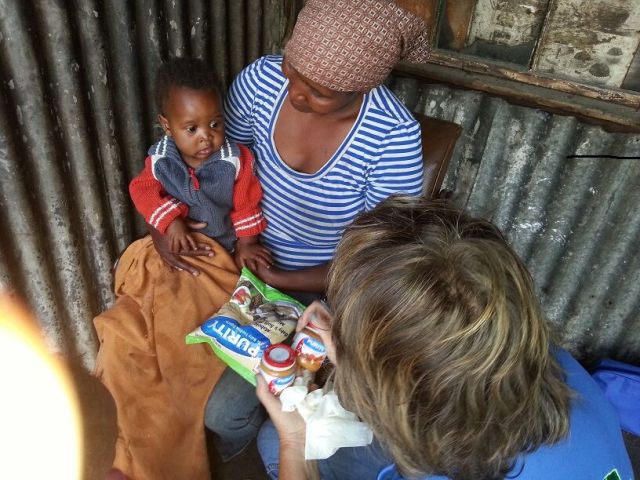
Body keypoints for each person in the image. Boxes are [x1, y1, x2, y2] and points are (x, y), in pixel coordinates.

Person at [195, 0, 432, 461]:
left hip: (324, 286)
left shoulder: (391, 136)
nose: (296, 94)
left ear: (363, 87)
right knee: (176, 365)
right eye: (292, 69)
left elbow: (377, 257)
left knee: (225, 415)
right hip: (242, 251)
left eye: (319, 92)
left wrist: (282, 279)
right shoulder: (262, 81)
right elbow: (224, 166)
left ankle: (254, 448)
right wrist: (192, 224)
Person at [255, 195, 635, 480]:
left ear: (401, 402)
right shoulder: (541, 356)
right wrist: (351, 350)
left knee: (277, 443)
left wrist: (295, 443)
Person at [129, 57, 271, 272]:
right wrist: (171, 221)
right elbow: (141, 190)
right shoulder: (161, 160)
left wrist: (247, 244)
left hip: (221, 248)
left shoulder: (235, 161)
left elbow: (247, 204)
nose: (206, 136)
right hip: (178, 243)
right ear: (167, 126)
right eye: (192, 129)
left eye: (215, 124)